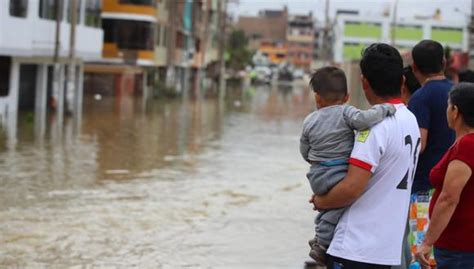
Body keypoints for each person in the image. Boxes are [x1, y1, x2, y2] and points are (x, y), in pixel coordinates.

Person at [311, 43, 420, 268]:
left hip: (355, 247)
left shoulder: (373, 127)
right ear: (402, 82)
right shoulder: (411, 120)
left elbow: (351, 188)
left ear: (364, 83)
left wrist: (320, 201)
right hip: (386, 249)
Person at [300, 67, 396, 265]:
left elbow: (304, 148)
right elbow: (364, 120)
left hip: (317, 174)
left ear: (317, 98)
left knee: (331, 206)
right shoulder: (346, 112)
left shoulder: (309, 120)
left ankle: (320, 235)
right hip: (338, 172)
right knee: (343, 200)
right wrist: (384, 109)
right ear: (347, 96)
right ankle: (322, 243)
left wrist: (314, 161)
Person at [406, 40, 456, 266]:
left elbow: (420, 143)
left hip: (425, 187)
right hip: (457, 185)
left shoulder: (420, 97)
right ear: (443, 62)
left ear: (414, 67)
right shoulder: (457, 93)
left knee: (421, 254)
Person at [415, 83, 474, 269]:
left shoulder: (466, 146)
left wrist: (427, 242)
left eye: (448, 105)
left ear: (455, 110)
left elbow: (449, 198)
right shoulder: (463, 143)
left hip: (458, 245)